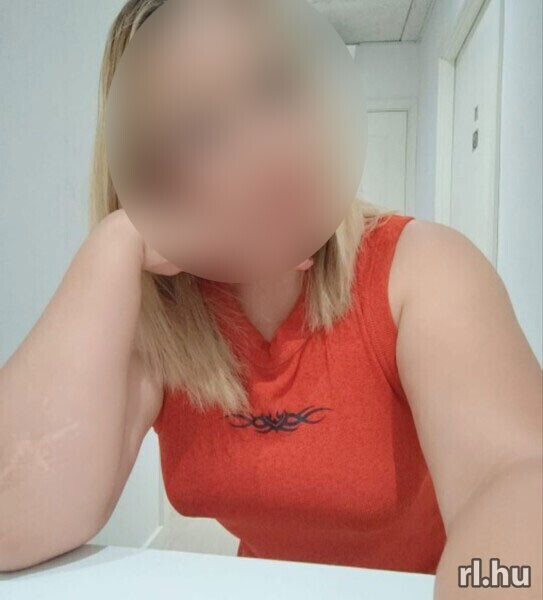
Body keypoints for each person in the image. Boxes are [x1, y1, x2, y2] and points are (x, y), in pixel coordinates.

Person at [0, 2, 541, 598]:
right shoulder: (159, 321)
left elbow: (514, 476)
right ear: (154, 170)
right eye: (199, 130)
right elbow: (13, 518)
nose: (266, 147)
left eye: (277, 86)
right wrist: (115, 244)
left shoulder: (423, 270)